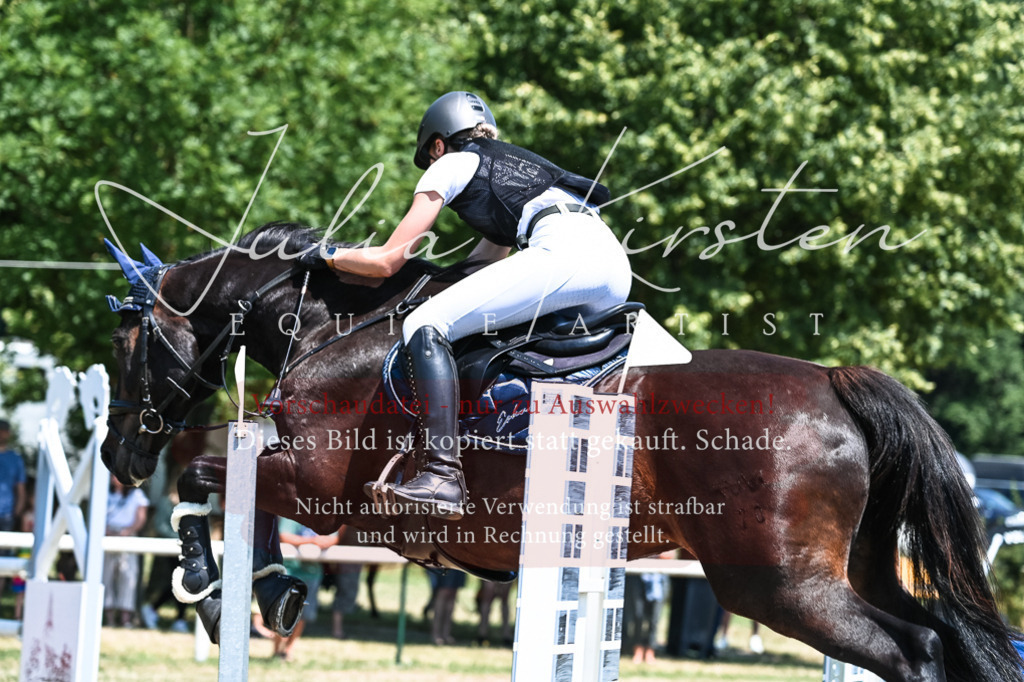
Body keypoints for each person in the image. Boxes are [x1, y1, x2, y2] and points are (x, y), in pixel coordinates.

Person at [321, 91, 632, 520]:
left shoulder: (450, 162)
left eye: (429, 157)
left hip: (567, 257)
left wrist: (327, 255)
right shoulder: (517, 169)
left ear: (436, 144)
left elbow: (389, 260)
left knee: (424, 324)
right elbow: (481, 268)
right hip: (612, 266)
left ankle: (442, 474)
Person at [273, 518, 337, 661]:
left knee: (303, 614)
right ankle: (277, 649)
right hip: (290, 569)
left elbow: (333, 538)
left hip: (312, 572)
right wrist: (312, 541)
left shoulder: (326, 512)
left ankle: (289, 649)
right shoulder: (294, 511)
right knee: (282, 611)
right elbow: (284, 535)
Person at [103, 477, 149, 627]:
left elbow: (141, 517)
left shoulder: (137, 495)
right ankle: (109, 619)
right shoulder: (104, 494)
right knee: (106, 577)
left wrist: (127, 531)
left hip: (128, 537)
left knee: (128, 577)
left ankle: (125, 619)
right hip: (108, 537)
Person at [0, 419, 26, 599]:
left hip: (6, 515)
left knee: (3, 562)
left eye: (4, 431)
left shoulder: (15, 459)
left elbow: (21, 488)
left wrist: (17, 512)